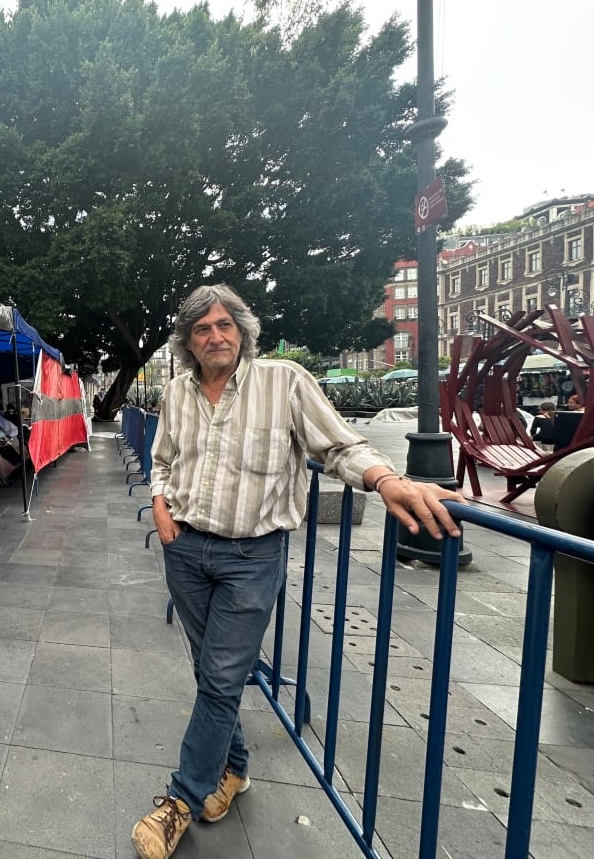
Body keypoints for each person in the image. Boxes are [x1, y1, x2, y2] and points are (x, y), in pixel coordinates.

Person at [131, 285, 464, 859]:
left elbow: (339, 446)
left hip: (250, 557)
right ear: (188, 341)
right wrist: (161, 508)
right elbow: (163, 459)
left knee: (218, 676)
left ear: (242, 329)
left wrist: (386, 480)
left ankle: (180, 800)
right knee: (211, 671)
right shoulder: (179, 392)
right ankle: (233, 769)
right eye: (202, 329)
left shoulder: (283, 381)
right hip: (185, 549)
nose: (216, 336)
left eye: (224, 325)